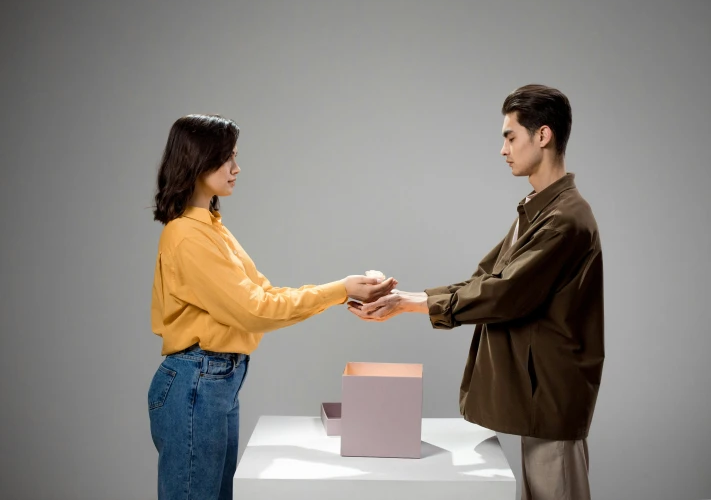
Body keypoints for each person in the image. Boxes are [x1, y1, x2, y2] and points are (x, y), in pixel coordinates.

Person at [348, 85, 604, 500]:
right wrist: (405, 299)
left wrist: (410, 304)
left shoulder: (565, 220)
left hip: (552, 398)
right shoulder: (539, 209)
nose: (503, 149)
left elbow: (504, 294)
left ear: (543, 136)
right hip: (539, 395)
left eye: (510, 136)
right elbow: (486, 279)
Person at [147, 114, 395, 500]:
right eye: (227, 157)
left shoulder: (211, 229)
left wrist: (344, 291)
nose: (236, 168)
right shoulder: (186, 236)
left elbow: (264, 295)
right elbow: (255, 310)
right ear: (198, 161)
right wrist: (338, 290)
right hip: (198, 380)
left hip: (215, 380)